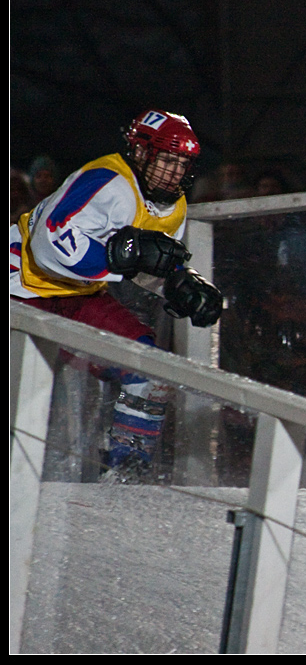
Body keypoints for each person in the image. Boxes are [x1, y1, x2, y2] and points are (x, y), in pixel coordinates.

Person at [10, 109, 223, 482]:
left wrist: (178, 283)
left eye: (183, 163)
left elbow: (146, 262)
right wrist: (123, 255)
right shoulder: (106, 179)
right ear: (141, 153)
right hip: (20, 284)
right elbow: (48, 243)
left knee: (149, 367)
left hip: (77, 296)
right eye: (167, 160)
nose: (175, 172)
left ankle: (126, 473)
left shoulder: (174, 206)